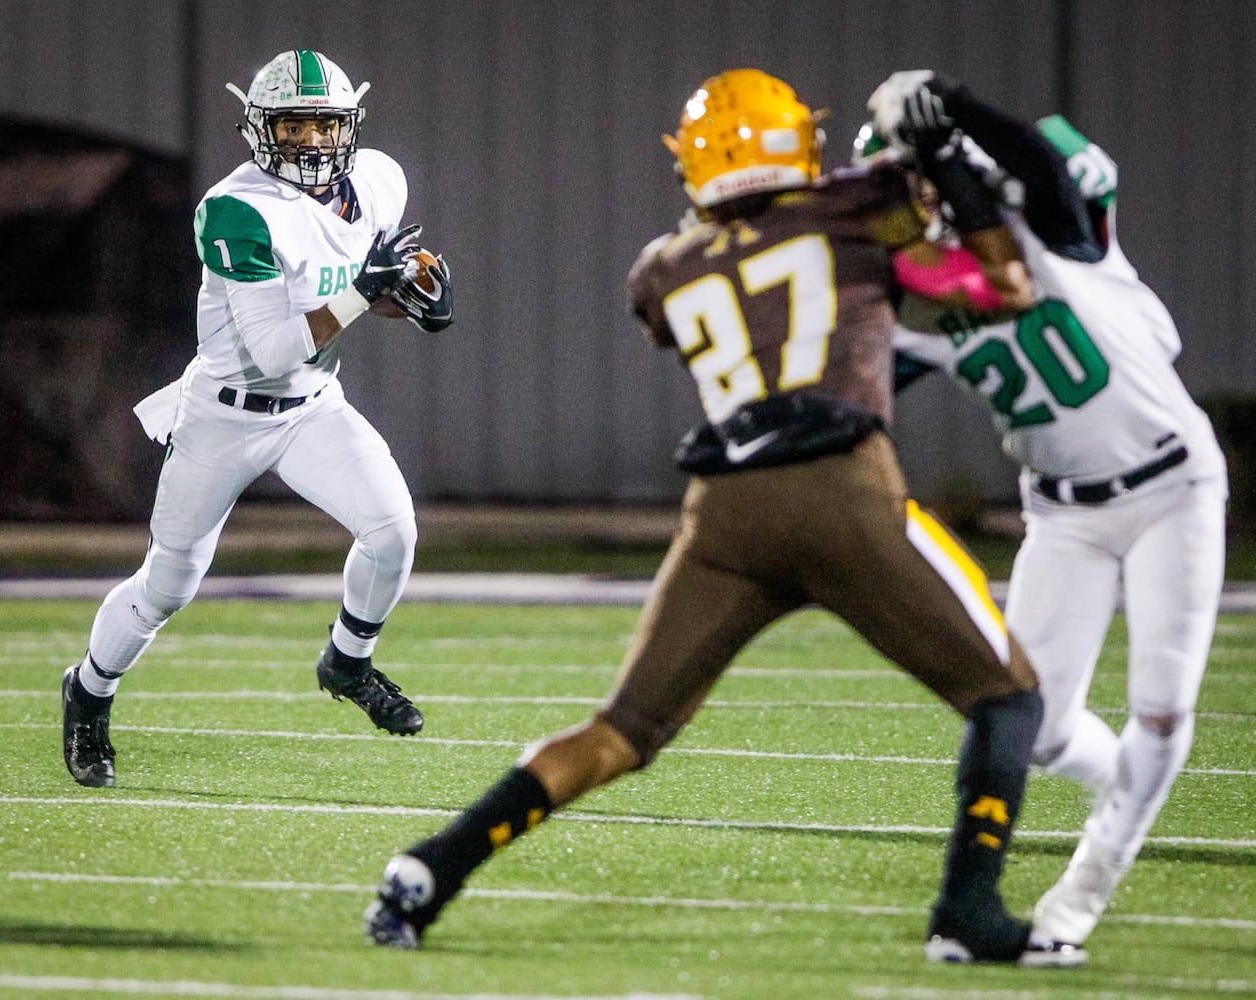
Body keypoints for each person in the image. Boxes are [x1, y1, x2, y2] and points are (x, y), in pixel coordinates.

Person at [363, 68, 1076, 966]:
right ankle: (967, 912)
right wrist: (938, 159)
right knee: (1007, 700)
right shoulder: (855, 205)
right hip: (843, 493)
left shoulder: (663, 267)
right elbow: (999, 283)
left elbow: (735, 289)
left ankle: (431, 870)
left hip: (726, 515)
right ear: (794, 143)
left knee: (622, 729)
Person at [866, 71, 1229, 951]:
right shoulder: (910, 303)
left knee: (1160, 707)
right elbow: (850, 385)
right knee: (1029, 723)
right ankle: (1125, 787)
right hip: (1061, 513)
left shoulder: (1051, 238)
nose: (904, 208)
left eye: (913, 186)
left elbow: (1043, 170)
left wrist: (949, 105)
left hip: (1170, 488)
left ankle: (1086, 888)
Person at [61, 49, 453, 789]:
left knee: (393, 531)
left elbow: (360, 287)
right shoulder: (237, 208)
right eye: (292, 126)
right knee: (166, 587)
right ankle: (88, 692)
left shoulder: (378, 181)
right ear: (259, 130)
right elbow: (273, 350)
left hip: (311, 407)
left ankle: (348, 660)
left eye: (322, 125)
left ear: (349, 127)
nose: (308, 141)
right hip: (225, 415)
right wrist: (365, 293)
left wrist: (413, 305)